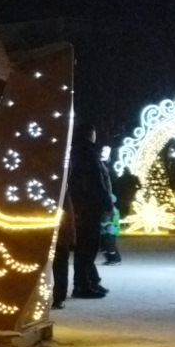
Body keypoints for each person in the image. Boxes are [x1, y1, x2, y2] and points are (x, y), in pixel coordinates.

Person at [55, 124, 110, 306]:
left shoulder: (78, 153)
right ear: (89, 135)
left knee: (86, 248)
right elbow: (95, 182)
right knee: (87, 247)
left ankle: (88, 281)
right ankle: (82, 284)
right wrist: (105, 203)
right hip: (87, 208)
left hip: (82, 207)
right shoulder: (87, 154)